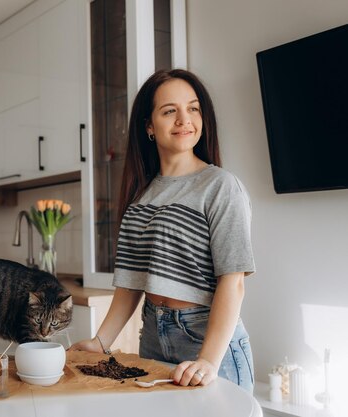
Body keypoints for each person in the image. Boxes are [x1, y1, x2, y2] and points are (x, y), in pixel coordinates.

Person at [69, 69, 256, 393]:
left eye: (193, 108)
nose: (184, 119)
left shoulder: (221, 186)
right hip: (153, 334)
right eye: (170, 111)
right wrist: (102, 341)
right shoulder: (140, 196)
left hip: (208, 339)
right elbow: (131, 282)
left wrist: (208, 361)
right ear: (149, 126)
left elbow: (233, 281)